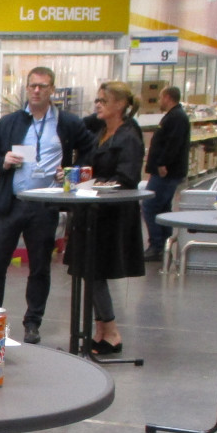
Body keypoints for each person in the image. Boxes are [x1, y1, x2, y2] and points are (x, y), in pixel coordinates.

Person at [0, 67, 93, 345]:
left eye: (42, 86)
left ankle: (33, 322)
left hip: (44, 206)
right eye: (32, 86)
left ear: (52, 90)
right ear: (26, 88)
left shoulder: (66, 124)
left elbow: (90, 148)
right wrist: (4, 161)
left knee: (40, 267)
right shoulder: (10, 123)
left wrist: (72, 171)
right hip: (11, 204)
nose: (36, 91)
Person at [74, 81, 147, 355]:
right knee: (89, 272)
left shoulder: (128, 136)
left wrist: (96, 184)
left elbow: (128, 178)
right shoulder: (101, 131)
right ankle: (102, 330)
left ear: (120, 105)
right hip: (92, 213)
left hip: (111, 216)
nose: (98, 105)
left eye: (104, 101)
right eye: (97, 100)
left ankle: (112, 331)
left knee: (96, 272)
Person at [142, 86, 191, 262]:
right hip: (166, 171)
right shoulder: (173, 116)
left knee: (150, 206)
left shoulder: (176, 117)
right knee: (162, 207)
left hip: (166, 172)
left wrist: (162, 163)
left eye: (161, 97)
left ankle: (156, 245)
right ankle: (164, 244)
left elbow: (173, 143)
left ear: (168, 97)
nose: (159, 101)